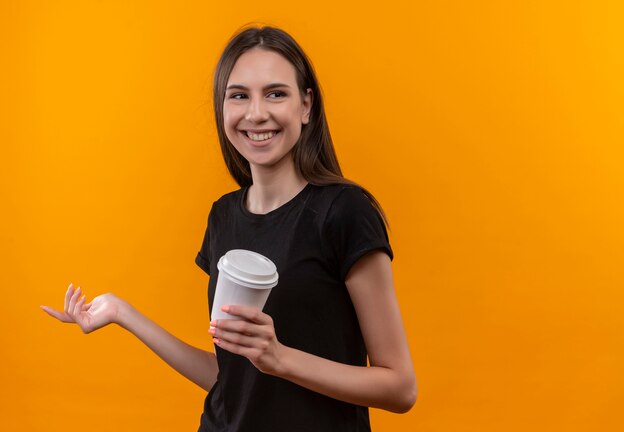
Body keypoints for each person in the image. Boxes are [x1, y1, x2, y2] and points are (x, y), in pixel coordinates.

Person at [41, 25, 416, 431]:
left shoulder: (345, 213)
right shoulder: (223, 217)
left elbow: (399, 388)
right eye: (239, 95)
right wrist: (122, 312)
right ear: (223, 109)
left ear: (306, 106)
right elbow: (232, 378)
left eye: (276, 93)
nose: (256, 113)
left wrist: (280, 358)